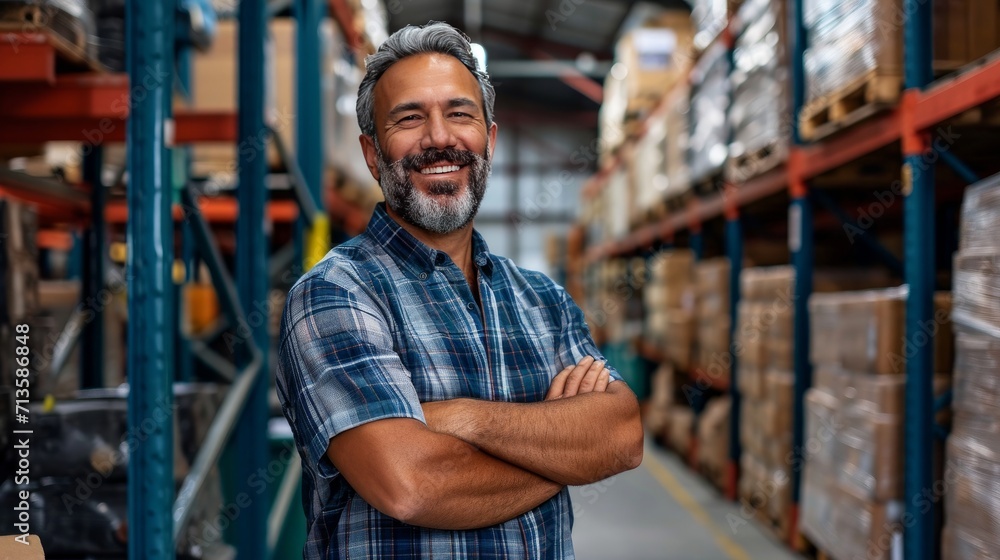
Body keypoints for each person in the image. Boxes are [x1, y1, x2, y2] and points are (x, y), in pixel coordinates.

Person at [275, 21, 643, 560]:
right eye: (409, 118)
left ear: (489, 140)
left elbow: (623, 436)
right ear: (373, 154)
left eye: (460, 114)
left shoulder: (543, 301)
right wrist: (565, 453)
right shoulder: (334, 295)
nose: (440, 138)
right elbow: (413, 484)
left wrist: (462, 417)